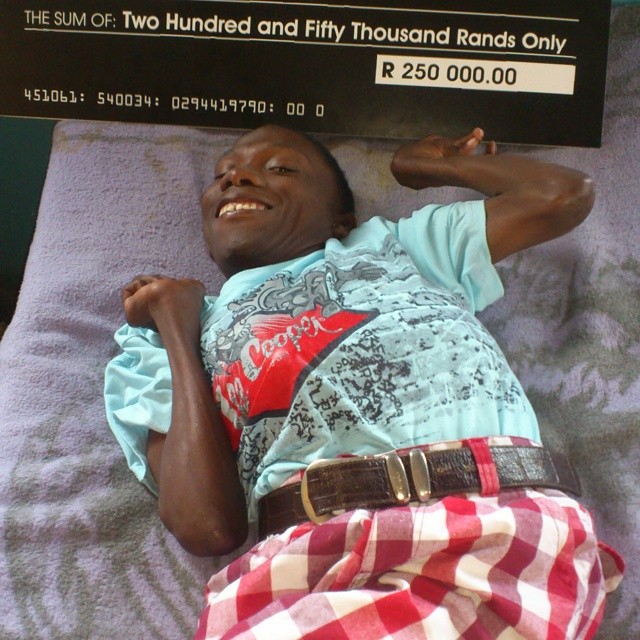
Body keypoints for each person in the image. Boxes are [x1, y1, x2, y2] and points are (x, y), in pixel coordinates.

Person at [104, 124, 623, 639]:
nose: (235, 178)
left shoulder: (396, 246)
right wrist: (176, 326)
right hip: (311, 562)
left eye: (279, 168)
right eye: (222, 174)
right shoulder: (156, 346)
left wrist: (432, 168)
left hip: (495, 524)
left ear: (342, 220)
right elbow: (208, 526)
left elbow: (562, 196)